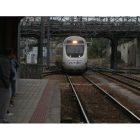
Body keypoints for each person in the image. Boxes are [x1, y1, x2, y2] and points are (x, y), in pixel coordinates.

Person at [0, 48, 14, 123]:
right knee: (4, 102)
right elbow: (5, 73)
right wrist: (7, 84)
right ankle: (2, 119)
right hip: (3, 85)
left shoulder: (2, 59)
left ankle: (3, 116)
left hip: (2, 84)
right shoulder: (5, 60)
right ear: (10, 54)